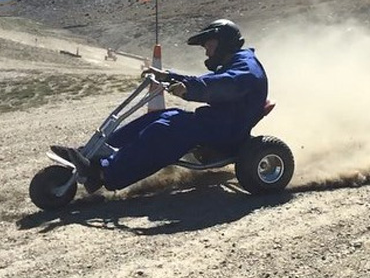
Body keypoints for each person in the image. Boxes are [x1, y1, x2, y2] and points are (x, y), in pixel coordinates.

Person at [52, 19, 268, 193]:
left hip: (227, 130)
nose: (207, 52)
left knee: (165, 129)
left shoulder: (245, 66)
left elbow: (226, 84)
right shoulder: (235, 62)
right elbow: (210, 81)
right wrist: (168, 76)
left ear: (224, 42)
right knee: (161, 116)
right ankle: (93, 155)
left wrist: (190, 88)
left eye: (209, 46)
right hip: (215, 122)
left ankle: (104, 174)